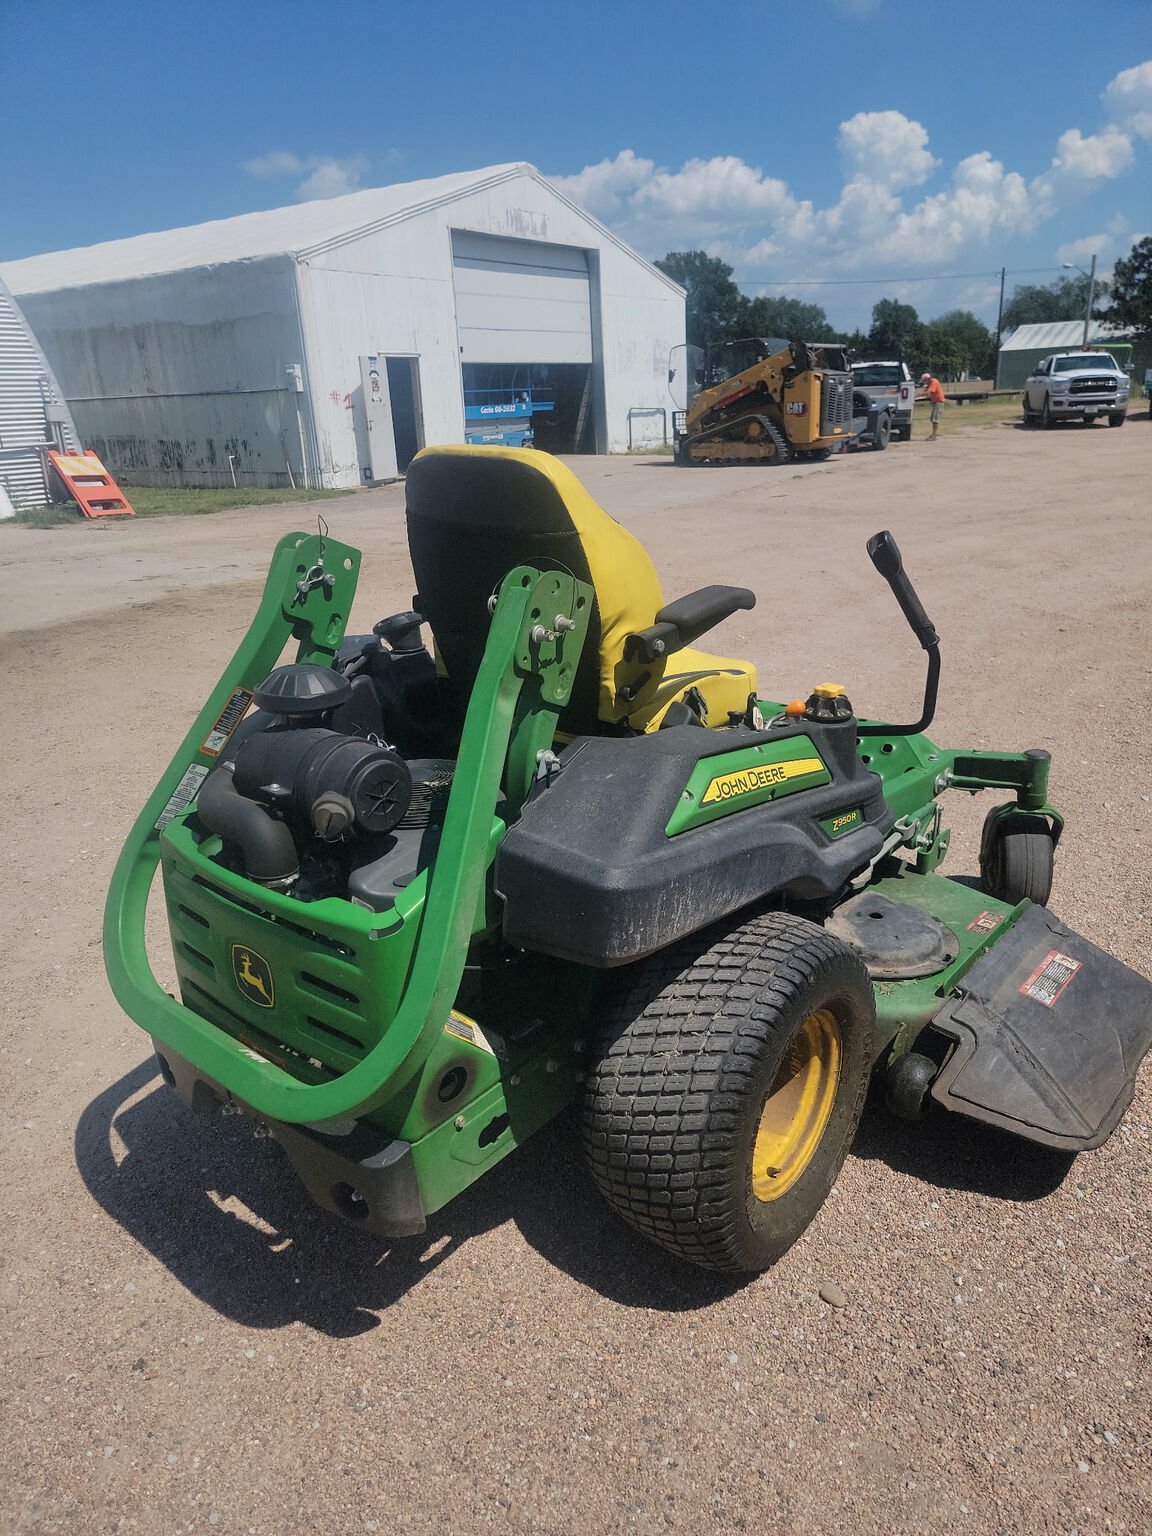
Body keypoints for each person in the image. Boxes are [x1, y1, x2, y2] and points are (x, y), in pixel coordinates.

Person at [919, 372, 946, 440]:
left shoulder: (934, 382)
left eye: (924, 380)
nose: (924, 382)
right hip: (935, 402)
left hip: (938, 402)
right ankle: (933, 435)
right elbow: (927, 392)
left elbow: (929, 392)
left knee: (935, 419)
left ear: (928, 379)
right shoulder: (930, 383)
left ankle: (934, 436)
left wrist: (919, 394)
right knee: (933, 419)